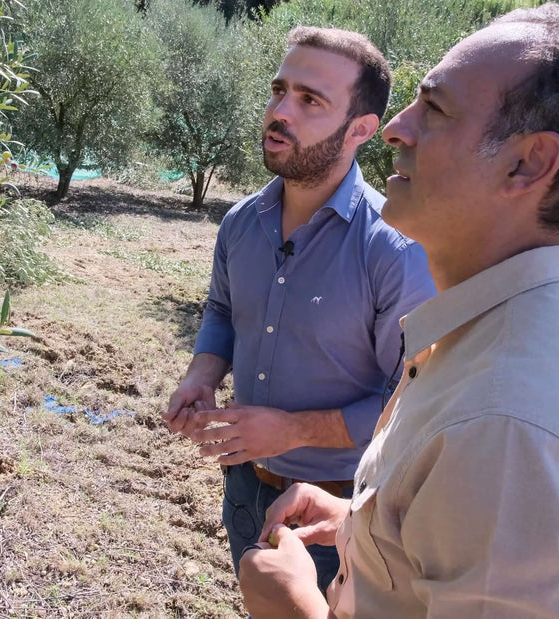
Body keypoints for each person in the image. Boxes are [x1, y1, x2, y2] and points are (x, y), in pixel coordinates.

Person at [237, 4, 559, 617]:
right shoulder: (499, 336)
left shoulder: (506, 429)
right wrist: (366, 529)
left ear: (529, 164)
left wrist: (294, 607)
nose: (394, 129)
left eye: (434, 109)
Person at [162, 27, 436, 593]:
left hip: (341, 514)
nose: (279, 111)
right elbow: (221, 306)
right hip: (245, 488)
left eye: (310, 100)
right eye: (279, 90)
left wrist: (290, 429)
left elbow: (410, 402)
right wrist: (203, 373)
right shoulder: (241, 223)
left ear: (361, 129)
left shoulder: (394, 249)